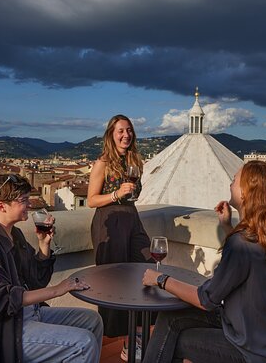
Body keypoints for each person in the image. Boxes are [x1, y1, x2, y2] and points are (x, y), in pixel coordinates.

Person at [141, 160, 266, 363]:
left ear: (246, 193)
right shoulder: (265, 235)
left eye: (235, 180)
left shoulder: (241, 244)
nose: (230, 183)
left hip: (252, 353)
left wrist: (160, 279)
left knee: (172, 339)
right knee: (171, 317)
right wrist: (226, 226)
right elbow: (243, 261)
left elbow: (206, 299)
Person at [0, 174, 103, 363]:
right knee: (83, 344)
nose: (29, 204)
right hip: (7, 332)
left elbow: (35, 280)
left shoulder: (15, 235)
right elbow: (0, 301)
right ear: (2, 206)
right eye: (24, 200)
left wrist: (44, 245)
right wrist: (58, 290)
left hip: (29, 314)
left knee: (93, 321)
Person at [88, 114, 152, 356]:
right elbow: (92, 200)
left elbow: (133, 194)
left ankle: (138, 332)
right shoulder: (102, 162)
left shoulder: (135, 161)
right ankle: (124, 341)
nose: (126, 135)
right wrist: (116, 194)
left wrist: (129, 194)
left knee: (146, 268)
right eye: (121, 131)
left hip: (131, 219)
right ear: (111, 135)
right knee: (114, 280)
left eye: (129, 130)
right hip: (110, 221)